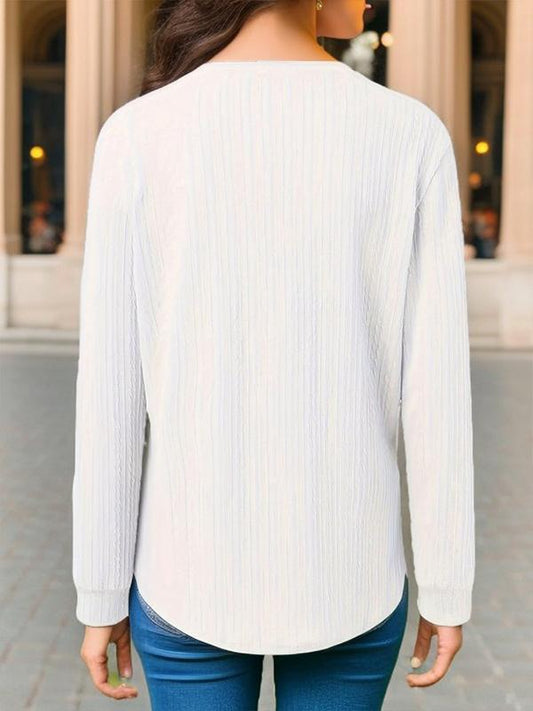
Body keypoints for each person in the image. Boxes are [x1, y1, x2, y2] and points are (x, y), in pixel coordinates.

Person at [71, 0, 476, 708]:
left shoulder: (137, 133)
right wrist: (446, 584)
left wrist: (100, 589)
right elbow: (436, 393)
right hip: (351, 572)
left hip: (184, 567)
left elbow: (110, 392)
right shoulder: (409, 133)